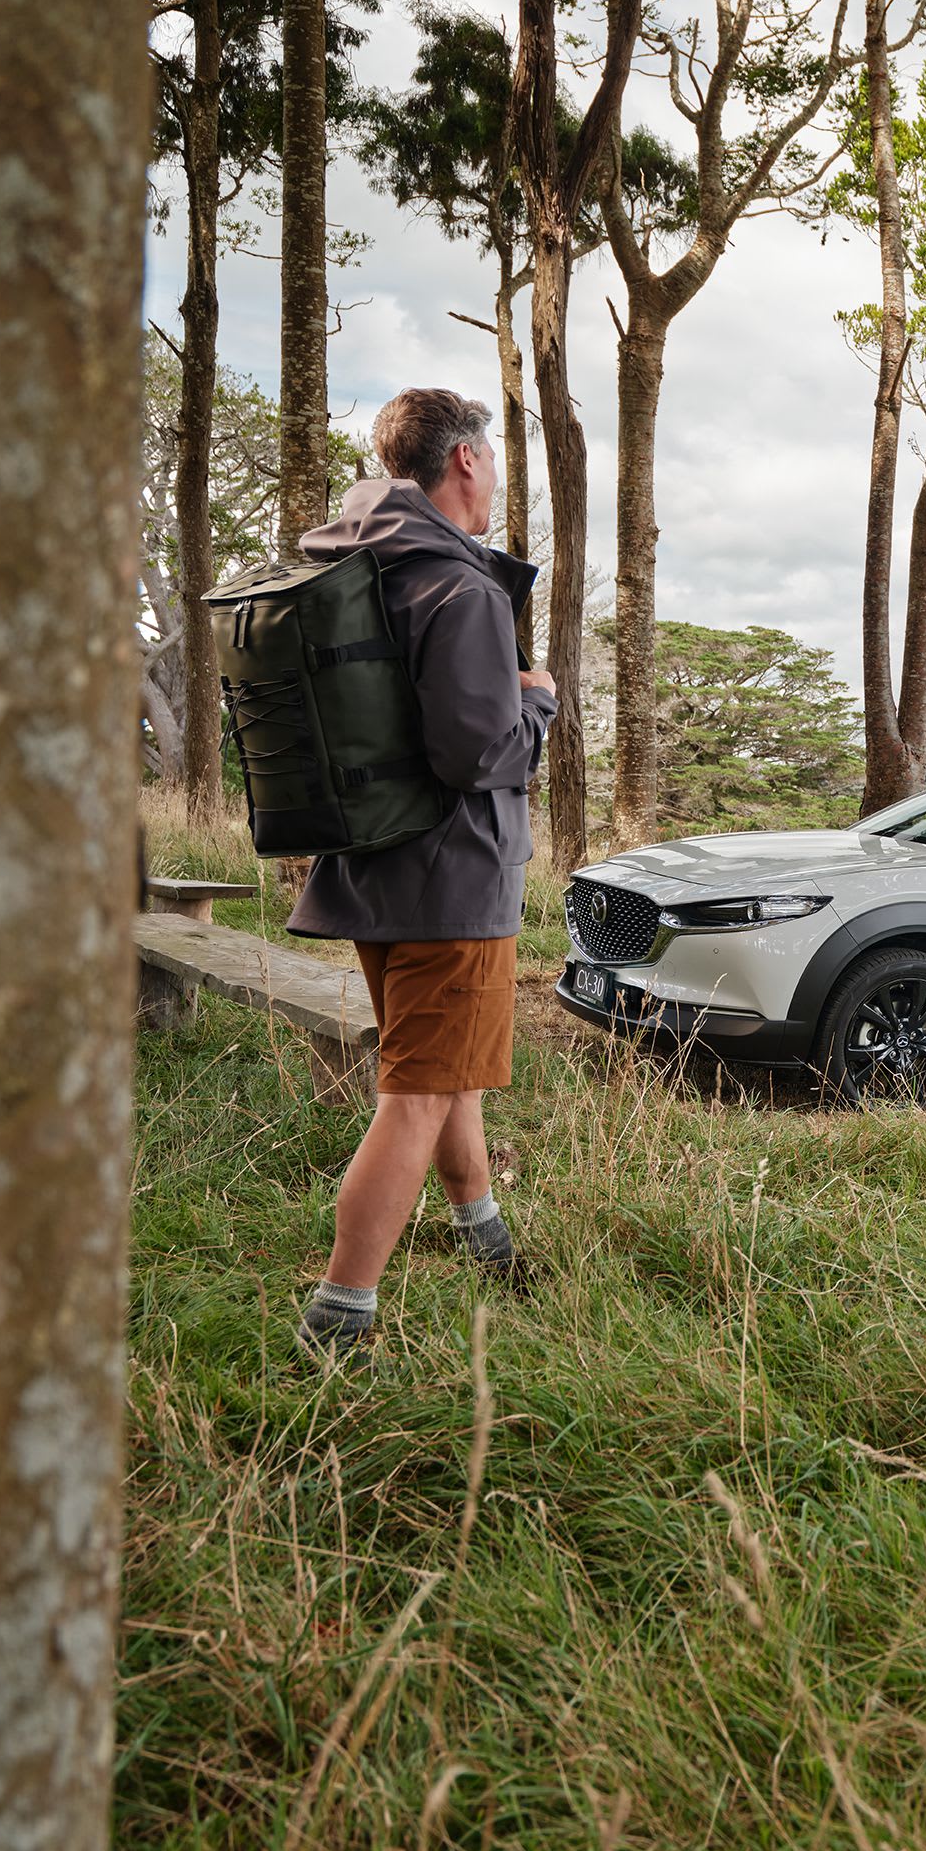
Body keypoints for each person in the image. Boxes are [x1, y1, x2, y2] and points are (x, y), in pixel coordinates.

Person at [286, 388, 555, 1357]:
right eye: (495, 462)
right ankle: (339, 1317)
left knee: (444, 1076)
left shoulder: (359, 566)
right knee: (417, 1093)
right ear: (468, 463)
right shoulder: (463, 587)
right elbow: (481, 755)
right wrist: (541, 704)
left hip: (371, 871)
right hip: (455, 880)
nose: (496, 481)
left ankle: (487, 1242)